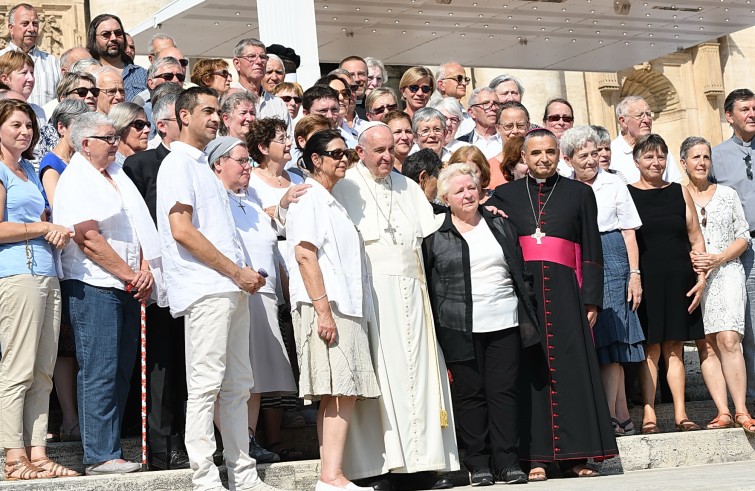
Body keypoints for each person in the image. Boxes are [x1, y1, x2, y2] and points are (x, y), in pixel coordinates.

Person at [156, 86, 278, 491]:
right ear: (183, 116)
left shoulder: (202, 168)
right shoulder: (177, 164)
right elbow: (181, 231)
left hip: (229, 287)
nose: (214, 117)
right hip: (207, 288)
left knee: (239, 383)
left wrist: (243, 273)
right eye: (206, 111)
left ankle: (243, 474)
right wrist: (234, 272)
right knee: (206, 384)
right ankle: (204, 477)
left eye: (216, 111)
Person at [332, 122, 460, 490]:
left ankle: (425, 463)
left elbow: (433, 229)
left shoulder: (408, 186)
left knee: (419, 377)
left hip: (414, 295)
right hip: (372, 296)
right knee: (383, 380)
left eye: (391, 149)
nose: (388, 156)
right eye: (379, 151)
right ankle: (383, 465)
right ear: (361, 152)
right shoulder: (345, 187)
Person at [485, 128, 616, 481]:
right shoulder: (504, 195)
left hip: (566, 293)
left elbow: (592, 248)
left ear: (559, 155)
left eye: (549, 152)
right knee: (530, 373)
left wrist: (592, 299)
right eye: (535, 153)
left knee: (572, 371)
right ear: (523, 159)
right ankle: (534, 457)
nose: (543, 159)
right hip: (522, 296)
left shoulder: (579, 193)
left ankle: (578, 455)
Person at [53, 110, 161, 475]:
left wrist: (145, 270)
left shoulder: (117, 174)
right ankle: (99, 454)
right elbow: (87, 238)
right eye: (108, 138)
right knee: (100, 368)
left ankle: (111, 448)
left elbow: (139, 227)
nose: (116, 143)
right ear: (86, 144)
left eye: (116, 136)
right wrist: (132, 274)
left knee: (121, 370)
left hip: (129, 282)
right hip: (93, 284)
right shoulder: (75, 179)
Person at [424, 162, 538, 485]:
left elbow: (519, 269)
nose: (467, 194)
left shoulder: (501, 225)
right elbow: (431, 283)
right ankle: (478, 463)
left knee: (504, 393)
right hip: (458, 325)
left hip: (504, 320)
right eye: (459, 190)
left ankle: (507, 461)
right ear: (446, 198)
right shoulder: (435, 234)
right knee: (470, 395)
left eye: (471, 187)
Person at [285, 129, 380, 491]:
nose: (343, 159)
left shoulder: (328, 199)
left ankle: (331, 475)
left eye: (347, 155)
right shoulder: (310, 199)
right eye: (336, 153)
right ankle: (332, 476)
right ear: (315, 159)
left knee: (338, 391)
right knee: (342, 389)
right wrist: (323, 311)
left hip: (342, 304)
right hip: (328, 304)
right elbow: (305, 254)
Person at [206, 136, 298, 464]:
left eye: (248, 160)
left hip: (265, 294)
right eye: (241, 161)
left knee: (254, 376)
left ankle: (248, 439)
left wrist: (285, 204)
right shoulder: (213, 198)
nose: (248, 167)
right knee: (231, 373)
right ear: (218, 164)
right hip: (234, 293)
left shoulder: (252, 198)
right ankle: (236, 441)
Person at [0, 98, 76, 481]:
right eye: (16, 125)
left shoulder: (29, 168)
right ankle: (13, 456)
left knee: (43, 369)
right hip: (16, 276)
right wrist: (43, 228)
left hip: (46, 273)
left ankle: (38, 453)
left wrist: (49, 225)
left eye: (28, 125)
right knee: (18, 368)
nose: (25, 132)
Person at [560, 126, 645, 438]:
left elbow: (629, 233)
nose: (592, 160)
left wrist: (634, 275)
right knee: (599, 343)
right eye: (583, 156)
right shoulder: (563, 187)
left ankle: (609, 416)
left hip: (612, 257)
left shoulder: (614, 183)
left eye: (594, 154)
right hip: (577, 258)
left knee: (611, 341)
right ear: (569, 160)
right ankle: (621, 415)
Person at [122, 90, 189, 470]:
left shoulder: (198, 164)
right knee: (161, 365)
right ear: (164, 124)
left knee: (189, 365)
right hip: (158, 280)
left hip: (194, 278)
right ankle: (164, 446)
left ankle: (189, 439)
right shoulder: (142, 165)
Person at [627, 134, 706, 435]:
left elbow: (695, 237)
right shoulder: (627, 193)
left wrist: (701, 278)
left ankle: (681, 413)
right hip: (645, 280)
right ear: (636, 161)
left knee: (674, 347)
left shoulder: (679, 192)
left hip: (679, 278)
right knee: (651, 349)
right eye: (648, 156)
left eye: (660, 156)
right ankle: (649, 413)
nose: (655, 162)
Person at [681, 136, 755, 433]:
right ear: (683, 162)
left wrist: (719, 258)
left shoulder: (727, 194)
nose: (702, 162)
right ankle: (722, 411)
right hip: (694, 277)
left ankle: (741, 409)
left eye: (706, 157)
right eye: (695, 157)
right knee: (706, 344)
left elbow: (743, 235)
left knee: (729, 339)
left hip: (727, 272)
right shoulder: (677, 195)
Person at [709, 88, 755, 399]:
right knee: (749, 325)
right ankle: (751, 392)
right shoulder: (714, 157)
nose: (752, 114)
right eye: (745, 109)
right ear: (729, 116)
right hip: (743, 249)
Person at [610, 96, 682, 184]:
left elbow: (675, 184)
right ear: (623, 121)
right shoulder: (611, 153)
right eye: (639, 115)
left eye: (648, 114)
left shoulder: (660, 148)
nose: (647, 120)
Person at [0, 4, 60, 106]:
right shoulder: (1, 58)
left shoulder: (51, 62)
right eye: (25, 24)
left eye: (35, 24)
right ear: (11, 28)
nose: (31, 29)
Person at [232, 38, 291, 129]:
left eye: (263, 57)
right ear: (237, 63)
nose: (259, 61)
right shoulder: (227, 100)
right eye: (251, 56)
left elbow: (288, 139)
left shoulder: (277, 104)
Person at [86, 14, 147, 101]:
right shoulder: (87, 74)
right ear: (94, 39)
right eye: (106, 34)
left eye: (118, 33)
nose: (114, 38)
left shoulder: (142, 74)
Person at [37, 71, 98, 157]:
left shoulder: (103, 127)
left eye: (94, 91)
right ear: (63, 99)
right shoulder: (50, 131)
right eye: (82, 92)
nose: (90, 95)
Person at [488, 101, 531, 188]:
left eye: (520, 125)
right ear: (497, 128)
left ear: (528, 126)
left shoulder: (537, 163)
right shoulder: (488, 168)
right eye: (509, 126)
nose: (515, 131)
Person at [0, 50, 46, 127]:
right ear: (5, 79)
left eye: (32, 73)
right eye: (24, 73)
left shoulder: (38, 112)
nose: (31, 79)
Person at [457, 88, 502, 160]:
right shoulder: (461, 143)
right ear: (472, 112)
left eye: (496, 104)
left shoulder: (507, 140)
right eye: (486, 104)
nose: (493, 108)